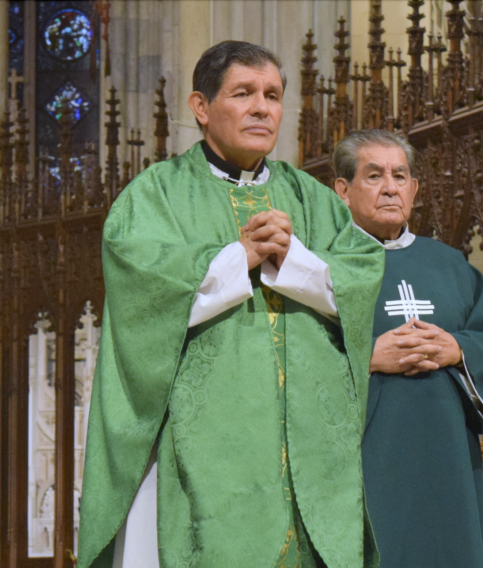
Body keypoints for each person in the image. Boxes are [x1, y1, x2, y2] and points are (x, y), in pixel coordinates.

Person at [78, 41, 384, 568]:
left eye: (272, 95)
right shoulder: (156, 196)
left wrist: (295, 259)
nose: (262, 108)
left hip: (310, 456)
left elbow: (360, 277)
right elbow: (139, 294)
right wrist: (237, 256)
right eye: (243, 94)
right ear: (201, 107)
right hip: (208, 450)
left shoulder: (313, 199)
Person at [332, 129, 483, 568]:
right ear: (342, 190)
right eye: (374, 176)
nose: (391, 187)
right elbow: (291, 355)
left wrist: (456, 348)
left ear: (414, 189)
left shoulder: (450, 264)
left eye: (400, 176)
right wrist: (368, 357)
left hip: (448, 455)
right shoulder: (322, 264)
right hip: (364, 452)